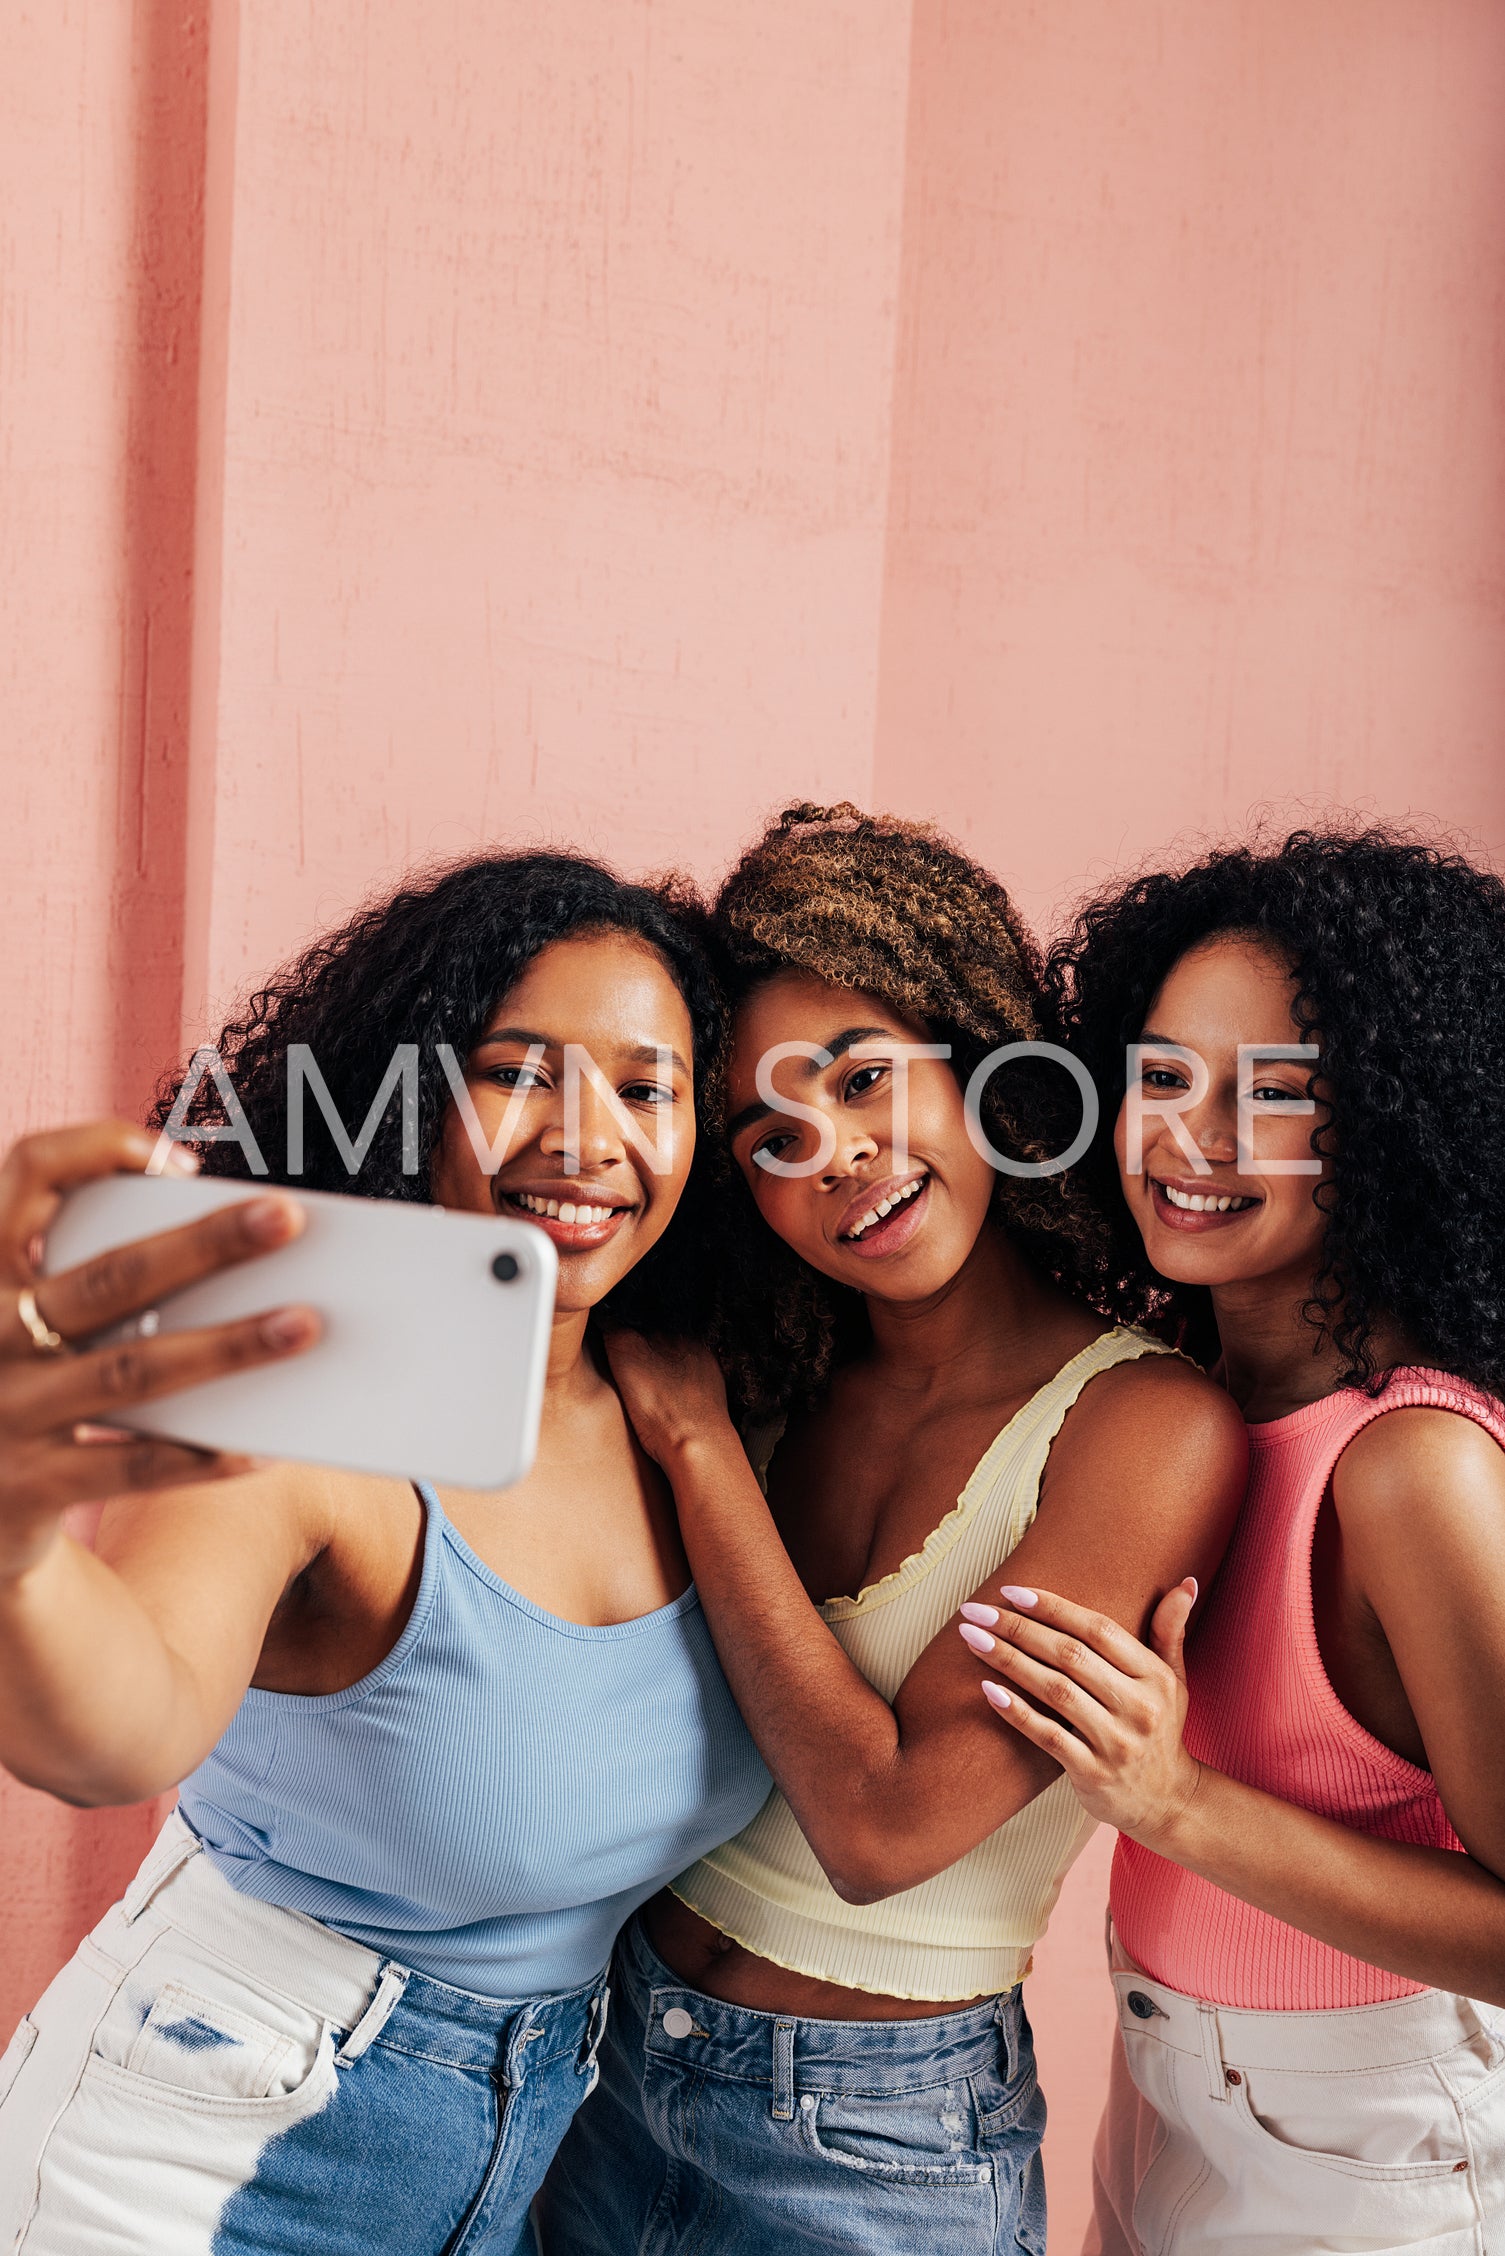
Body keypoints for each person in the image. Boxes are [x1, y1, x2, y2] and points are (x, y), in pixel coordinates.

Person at [0, 852, 769, 2256]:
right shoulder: (310, 1415)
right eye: (516, 1070)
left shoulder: (690, 1410)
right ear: (406, 1094)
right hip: (195, 2150)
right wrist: (16, 1546)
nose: (585, 1137)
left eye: (646, 1089)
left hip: (505, 2166)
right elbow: (123, 1730)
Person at [541, 804, 1246, 2256]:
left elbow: (881, 1827)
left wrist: (696, 1451)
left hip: (870, 2150)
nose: (839, 1157)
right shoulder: (782, 1377)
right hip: (601, 2063)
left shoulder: (1139, 1426)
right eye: (772, 1136)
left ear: (979, 1064)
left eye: (866, 1080)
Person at [958, 829, 1505, 2253]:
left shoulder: (1409, 1468)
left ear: (1389, 1125)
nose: (1186, 1139)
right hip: (1169, 2086)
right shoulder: (1167, 1400)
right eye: (1159, 1075)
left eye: (1271, 1095)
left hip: (1367, 2142)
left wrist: (1175, 1802)